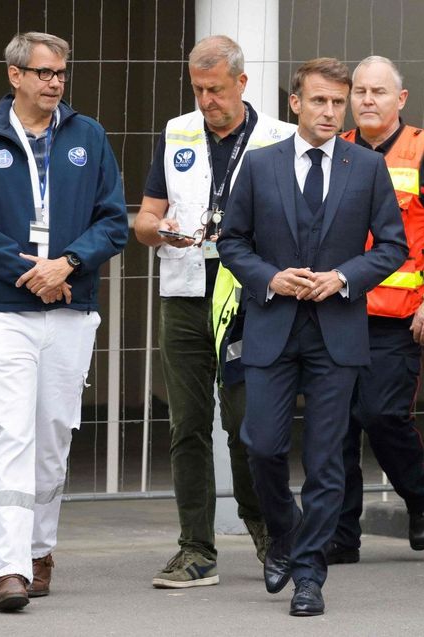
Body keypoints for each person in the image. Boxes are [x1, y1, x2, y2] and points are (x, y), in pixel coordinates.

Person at [218, 57, 406, 616]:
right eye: (319, 101)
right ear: (295, 103)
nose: (330, 111)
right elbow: (233, 242)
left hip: (337, 334)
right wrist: (269, 277)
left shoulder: (367, 167)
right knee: (263, 444)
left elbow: (393, 247)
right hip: (273, 328)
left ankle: (309, 574)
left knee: (327, 462)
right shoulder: (259, 165)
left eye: (338, 102)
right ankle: (284, 536)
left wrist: (345, 277)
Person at [0, 31, 129, 611]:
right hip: (8, 310)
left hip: (72, 309)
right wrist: (29, 272)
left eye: (60, 73)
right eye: (44, 73)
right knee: (12, 434)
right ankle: (8, 570)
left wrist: (68, 265)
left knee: (53, 438)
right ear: (15, 75)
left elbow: (112, 221)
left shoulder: (89, 135)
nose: (55, 83)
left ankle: (38, 549)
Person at [133, 34, 296, 589]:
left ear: (242, 84)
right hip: (184, 293)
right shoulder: (176, 132)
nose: (207, 101)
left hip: (251, 299)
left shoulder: (281, 139)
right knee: (187, 425)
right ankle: (195, 548)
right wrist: (161, 230)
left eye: (217, 90)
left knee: (249, 424)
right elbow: (144, 219)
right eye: (199, 89)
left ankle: (269, 533)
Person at [327, 55, 424, 565]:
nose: (367, 100)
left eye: (378, 91)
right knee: (335, 427)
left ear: (401, 100)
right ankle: (341, 535)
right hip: (338, 310)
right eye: (359, 91)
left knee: (381, 414)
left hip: (400, 313)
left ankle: (421, 492)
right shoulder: (336, 150)